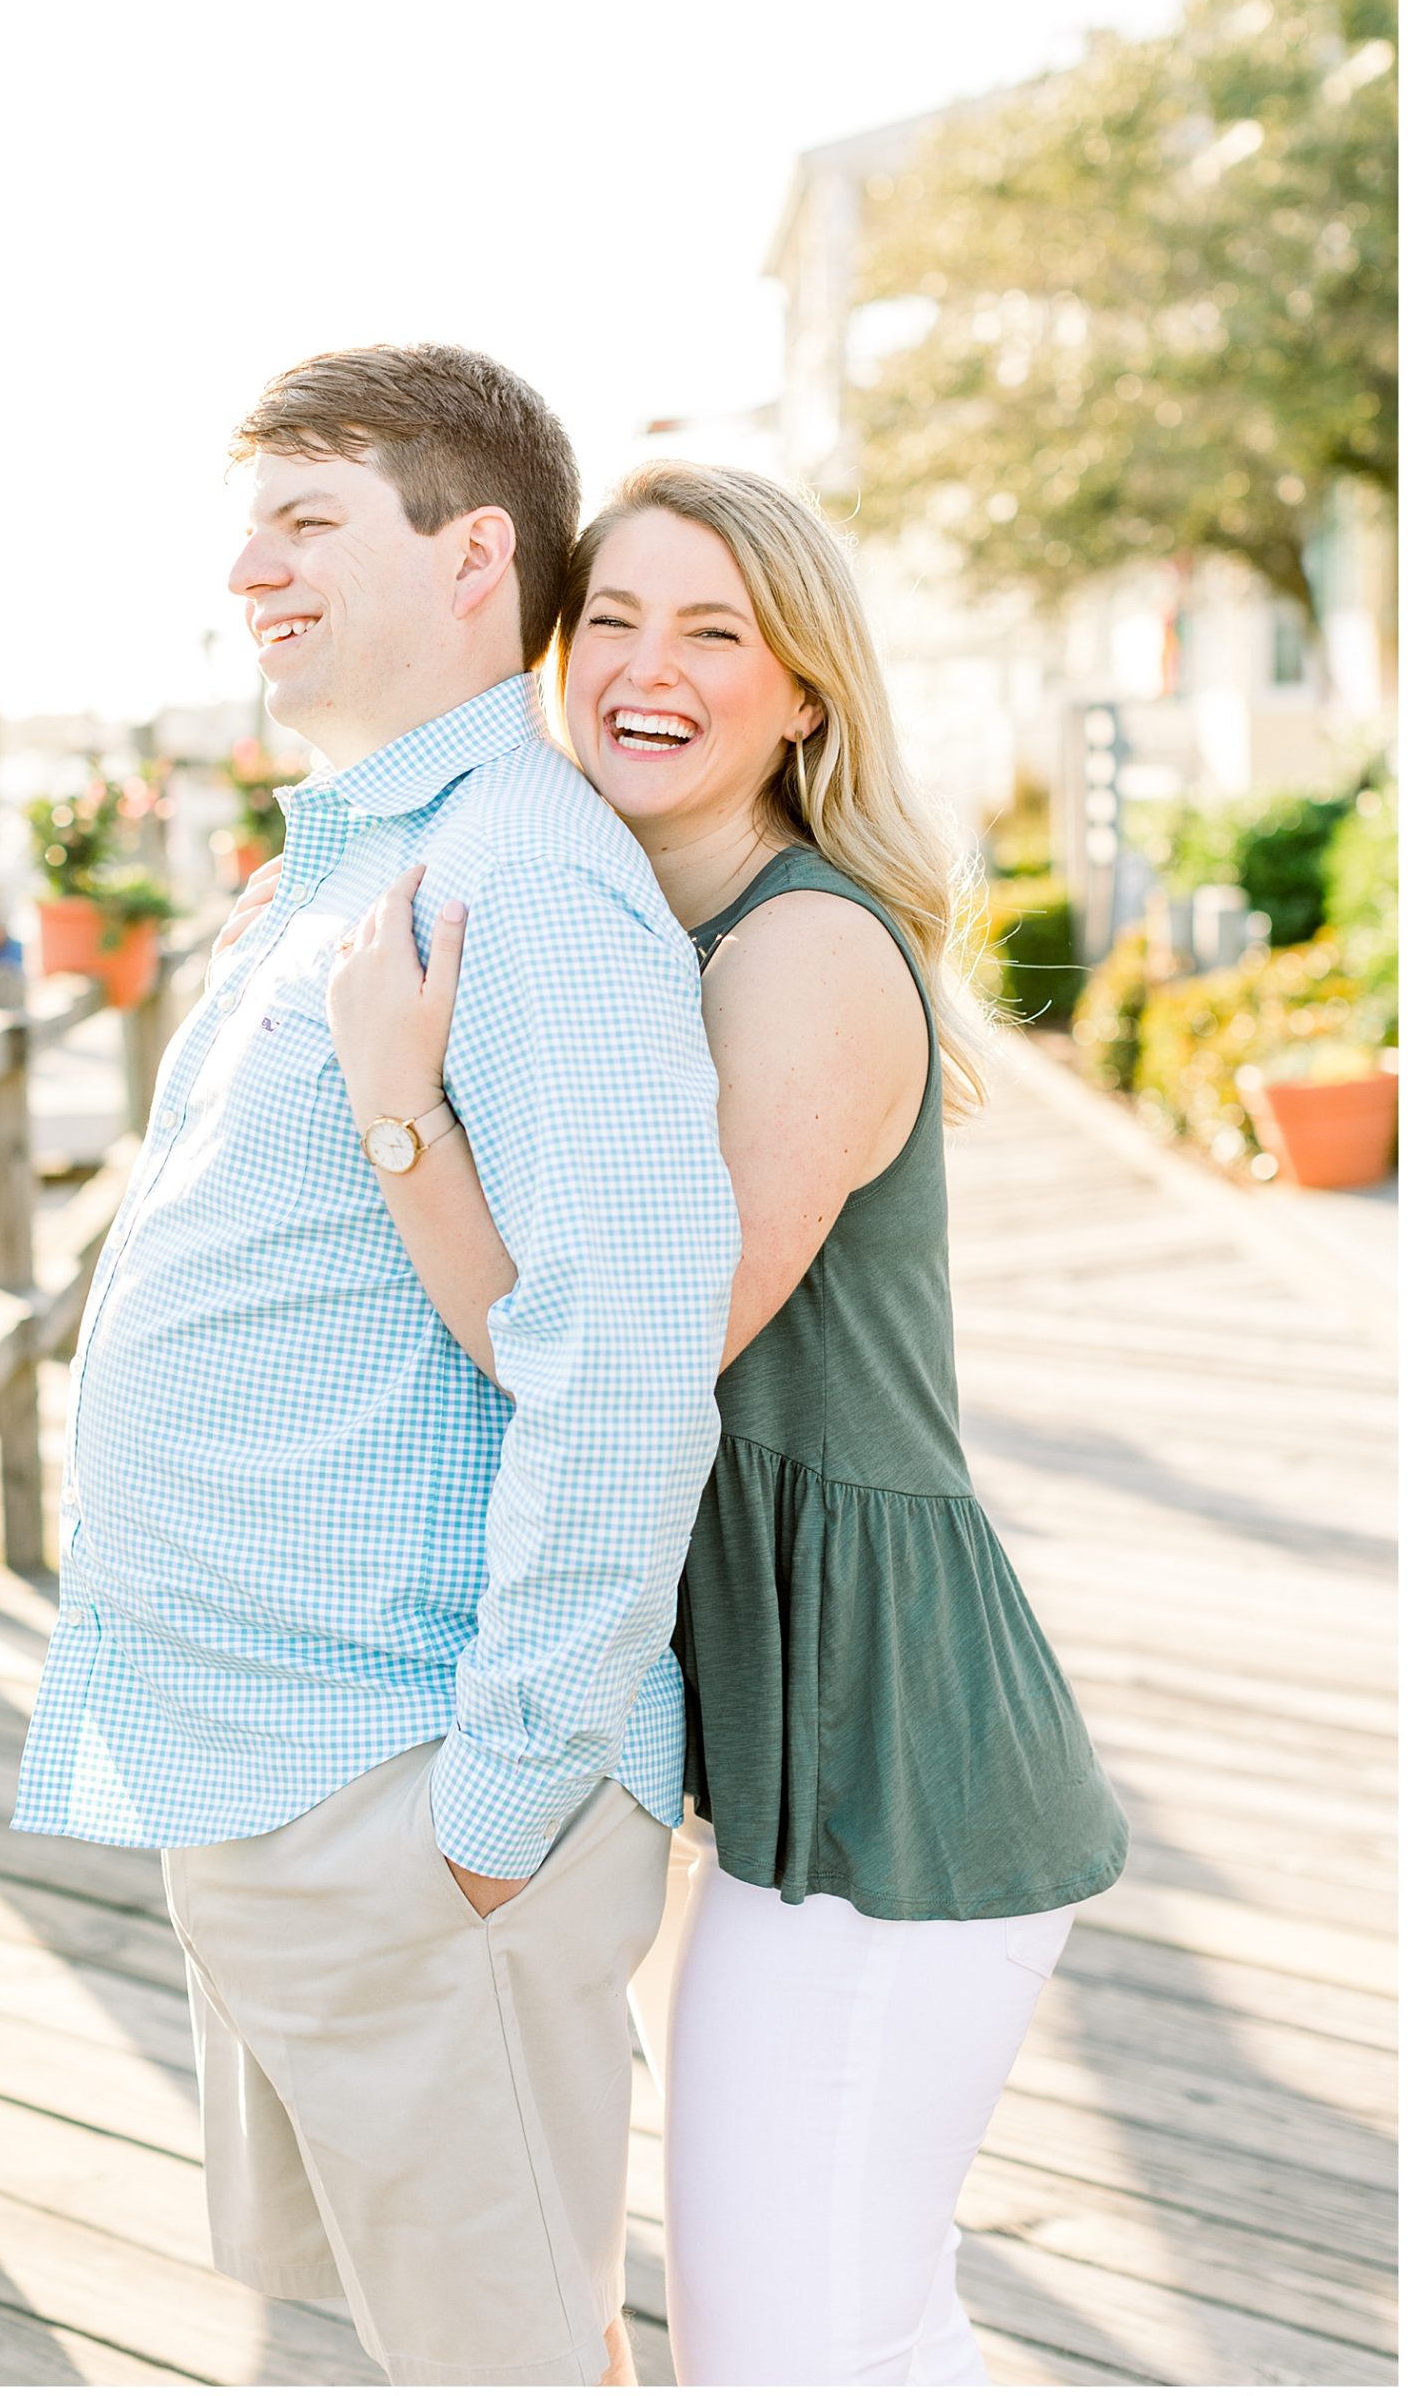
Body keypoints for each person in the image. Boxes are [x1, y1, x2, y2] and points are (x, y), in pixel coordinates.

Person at [245, 459, 1130, 2387]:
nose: (648, 669)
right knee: (838, 2325)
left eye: (714, 632)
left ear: (803, 690)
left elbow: (605, 1364)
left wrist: (396, 1108)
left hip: (886, 1754)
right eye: (614, 624)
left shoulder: (801, 954)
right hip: (760, 1734)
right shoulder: (626, 929)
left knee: (801, 2342)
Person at [10, 349, 739, 2389]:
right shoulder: (341, 858)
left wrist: (502, 1790)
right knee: (386, 2343)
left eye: (304, 520)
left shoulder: (525, 879)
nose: (245, 568)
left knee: (503, 2354)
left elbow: (621, 1358)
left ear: (471, 548)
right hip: (273, 1764)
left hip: (409, 1788)